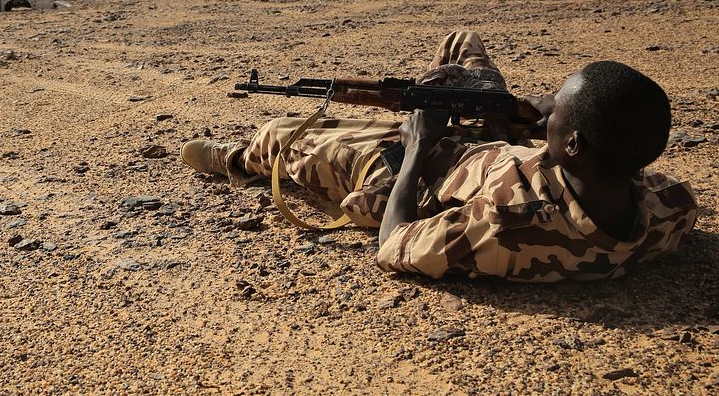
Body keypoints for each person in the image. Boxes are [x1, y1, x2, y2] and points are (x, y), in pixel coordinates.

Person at [181, 31, 697, 282]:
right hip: (484, 144)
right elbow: (617, 152)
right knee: (462, 43)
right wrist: (517, 122)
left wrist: (417, 147)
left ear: (575, 143)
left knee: (283, 132)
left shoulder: (505, 226)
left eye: (555, 108)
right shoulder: (668, 204)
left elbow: (393, 244)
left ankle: (235, 160)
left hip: (417, 176)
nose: (547, 109)